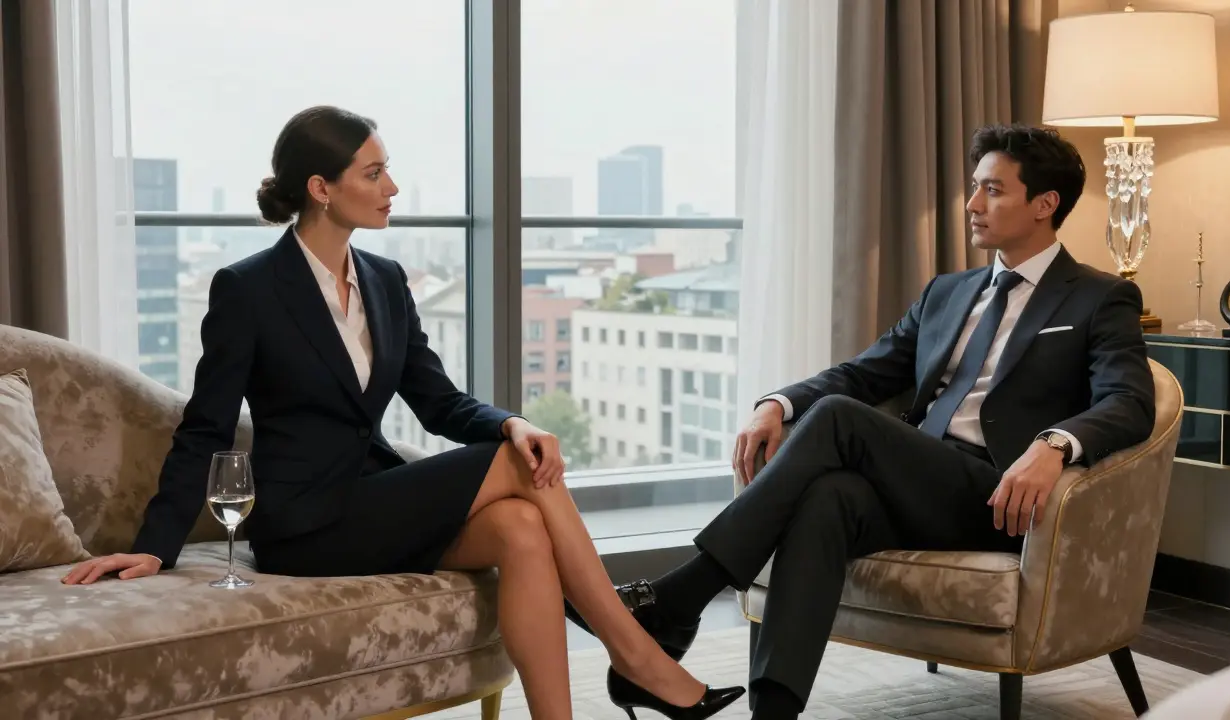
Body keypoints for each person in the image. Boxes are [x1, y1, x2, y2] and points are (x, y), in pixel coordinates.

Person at [60, 105, 744, 720]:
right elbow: (206, 425)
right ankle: (637, 656)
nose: (392, 188)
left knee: (521, 527)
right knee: (515, 471)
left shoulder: (386, 281)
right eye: (375, 172)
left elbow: (437, 401)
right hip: (305, 525)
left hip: (372, 498)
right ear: (322, 189)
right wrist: (155, 546)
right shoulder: (248, 288)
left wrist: (513, 421)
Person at [568, 123, 1157, 719]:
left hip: (999, 497)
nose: (973, 205)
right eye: (974, 188)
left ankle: (680, 597)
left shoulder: (1097, 297)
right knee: (829, 496)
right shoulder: (948, 292)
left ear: (1044, 204)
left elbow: (1129, 402)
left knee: (840, 423)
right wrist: (777, 403)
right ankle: (773, 712)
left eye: (993, 191)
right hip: (919, 480)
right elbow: (863, 374)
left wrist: (1055, 444)